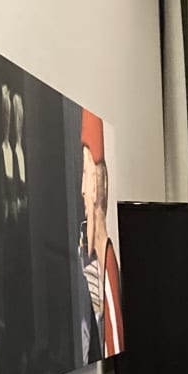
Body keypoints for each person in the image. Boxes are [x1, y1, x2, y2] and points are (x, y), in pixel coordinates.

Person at [79, 109, 123, 359]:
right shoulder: (91, 260)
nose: (82, 190)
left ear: (97, 187)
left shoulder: (109, 269)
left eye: (85, 176)